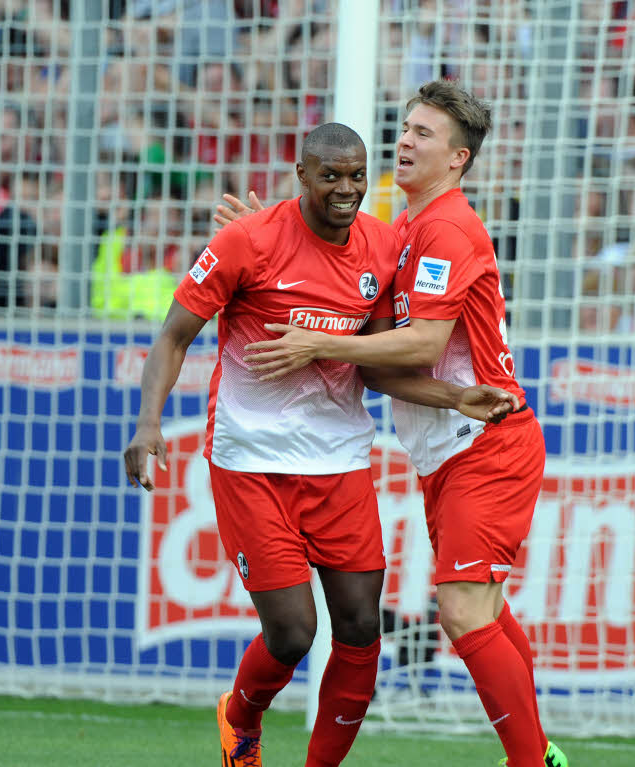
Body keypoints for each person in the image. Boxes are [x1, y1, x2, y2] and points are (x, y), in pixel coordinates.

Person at [123, 122, 520, 767]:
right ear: (301, 176)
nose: (346, 190)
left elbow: (378, 366)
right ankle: (241, 717)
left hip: (338, 463)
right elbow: (173, 336)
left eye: (357, 176)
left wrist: (455, 395)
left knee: (363, 629)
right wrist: (148, 424)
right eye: (330, 176)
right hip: (251, 464)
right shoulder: (247, 241)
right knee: (293, 633)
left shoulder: (384, 251)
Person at [236, 81, 568, 767]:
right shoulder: (407, 229)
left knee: (463, 611)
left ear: (458, 158)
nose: (405, 141)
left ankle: (531, 760)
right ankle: (537, 752)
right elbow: (374, 347)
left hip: (488, 440)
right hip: (451, 444)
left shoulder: (445, 227)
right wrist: (259, 243)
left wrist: (316, 344)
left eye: (424, 134)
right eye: (406, 127)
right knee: (486, 605)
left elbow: (419, 345)